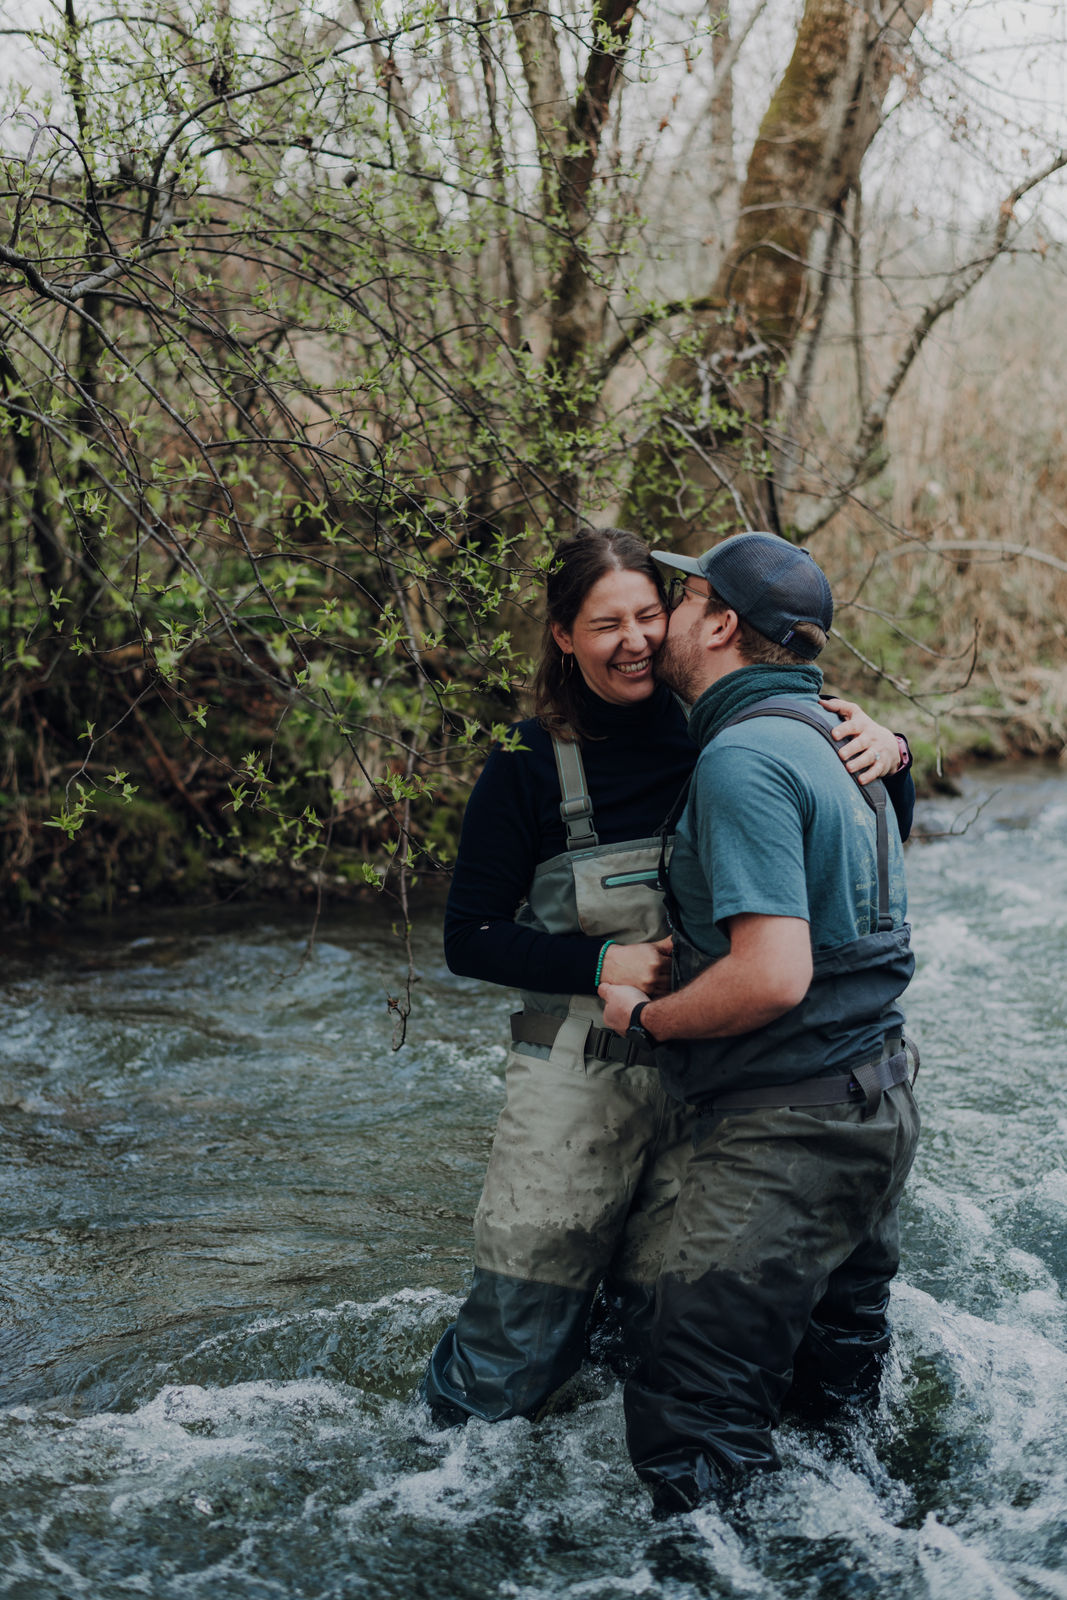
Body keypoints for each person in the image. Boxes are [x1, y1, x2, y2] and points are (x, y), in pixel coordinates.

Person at [423, 527, 914, 1426]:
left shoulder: (722, 726)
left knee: (658, 1329)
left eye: (651, 613)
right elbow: (469, 938)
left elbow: (853, 840)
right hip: (576, 1074)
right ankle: (451, 1486)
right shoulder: (528, 761)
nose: (636, 638)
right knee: (518, 1332)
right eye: (605, 623)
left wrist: (895, 752)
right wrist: (598, 959)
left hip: (718, 1084)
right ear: (563, 637)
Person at [599, 532, 921, 1515]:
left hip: (782, 1135)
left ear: (721, 622)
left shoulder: (743, 757)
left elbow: (772, 975)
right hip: (876, 1108)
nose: (663, 620)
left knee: (690, 1431)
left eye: (680, 597)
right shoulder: (841, 741)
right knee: (828, 1425)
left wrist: (647, 1017)